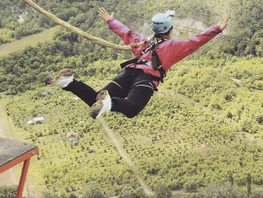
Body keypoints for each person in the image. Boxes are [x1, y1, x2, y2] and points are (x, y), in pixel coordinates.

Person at [45, 8, 230, 119]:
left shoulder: (143, 42)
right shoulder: (173, 47)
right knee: (132, 108)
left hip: (127, 73)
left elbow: (126, 33)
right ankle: (110, 103)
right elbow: (195, 41)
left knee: (95, 99)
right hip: (145, 77)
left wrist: (111, 20)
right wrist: (217, 29)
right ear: (171, 30)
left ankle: (68, 82)